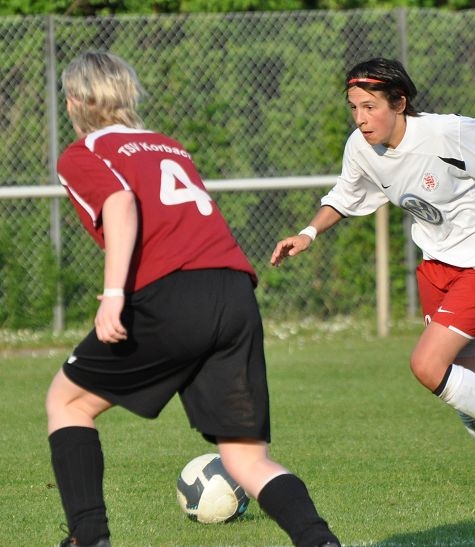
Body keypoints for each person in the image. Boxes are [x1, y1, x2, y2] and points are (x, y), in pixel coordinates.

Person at [47, 50, 340, 547]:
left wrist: (114, 294)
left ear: (76, 101)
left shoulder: (83, 152)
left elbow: (119, 204)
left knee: (67, 401)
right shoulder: (167, 145)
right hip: (233, 291)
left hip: (174, 294)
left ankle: (88, 538)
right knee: (245, 458)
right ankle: (321, 541)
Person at [271, 57, 475, 509]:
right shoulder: (361, 147)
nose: (360, 118)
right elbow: (345, 195)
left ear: (399, 103)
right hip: (439, 263)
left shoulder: (446, 133)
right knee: (466, 390)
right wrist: (308, 233)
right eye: (354, 107)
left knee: (427, 365)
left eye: (370, 107)